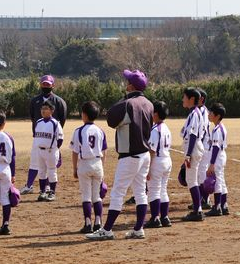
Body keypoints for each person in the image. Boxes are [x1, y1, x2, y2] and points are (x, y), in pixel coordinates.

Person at [86, 69, 153, 240]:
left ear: (131, 86)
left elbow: (111, 119)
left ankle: (107, 230)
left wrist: (126, 97)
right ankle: (138, 229)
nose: (126, 83)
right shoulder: (149, 103)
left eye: (128, 81)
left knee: (118, 193)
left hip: (130, 155)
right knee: (140, 192)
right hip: (144, 154)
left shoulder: (128, 104)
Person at [21, 75, 67, 195]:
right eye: (44, 83)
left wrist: (56, 139)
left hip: (52, 140)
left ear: (53, 85)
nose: (46, 86)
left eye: (48, 84)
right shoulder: (34, 100)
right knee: (35, 162)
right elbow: (33, 117)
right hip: (38, 138)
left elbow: (62, 120)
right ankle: (29, 185)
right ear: (40, 84)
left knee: (49, 166)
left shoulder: (59, 101)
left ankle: (47, 187)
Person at [70, 101, 107, 233]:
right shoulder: (100, 131)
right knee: (96, 196)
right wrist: (101, 167)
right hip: (97, 163)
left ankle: (87, 223)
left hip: (84, 164)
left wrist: (75, 168)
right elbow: (104, 152)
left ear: (84, 115)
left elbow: (74, 152)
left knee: (86, 196)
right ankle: (98, 222)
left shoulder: (79, 131)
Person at [144, 101, 172, 228]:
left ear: (155, 113)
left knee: (153, 190)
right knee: (163, 189)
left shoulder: (155, 129)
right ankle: (164, 217)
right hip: (167, 160)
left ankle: (155, 218)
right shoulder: (166, 128)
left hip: (158, 161)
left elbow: (152, 151)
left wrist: (148, 169)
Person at [180, 87, 205, 222]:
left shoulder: (194, 114)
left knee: (191, 181)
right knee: (192, 180)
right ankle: (198, 209)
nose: (182, 99)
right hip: (194, 149)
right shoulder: (193, 113)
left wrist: (188, 155)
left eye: (184, 97)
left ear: (191, 99)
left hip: (194, 149)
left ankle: (197, 210)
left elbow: (193, 135)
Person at [32, 100, 64, 202]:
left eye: (46, 108)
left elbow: (60, 139)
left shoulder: (55, 123)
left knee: (51, 171)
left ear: (52, 111)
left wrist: (55, 149)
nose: (43, 110)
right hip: (40, 150)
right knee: (41, 172)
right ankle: (42, 192)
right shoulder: (38, 122)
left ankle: (52, 192)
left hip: (51, 151)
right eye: (42, 108)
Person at [205, 103, 229, 217]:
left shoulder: (217, 130)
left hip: (218, 157)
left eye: (211, 113)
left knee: (218, 182)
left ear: (217, 115)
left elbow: (215, 147)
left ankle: (217, 207)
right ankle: (224, 206)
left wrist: (212, 164)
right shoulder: (221, 127)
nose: (209, 114)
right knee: (221, 181)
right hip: (221, 155)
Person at [195, 88, 212, 209]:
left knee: (201, 173)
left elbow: (202, 132)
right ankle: (201, 198)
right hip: (202, 147)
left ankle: (205, 199)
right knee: (199, 173)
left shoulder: (203, 112)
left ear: (201, 99)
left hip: (204, 148)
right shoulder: (199, 111)